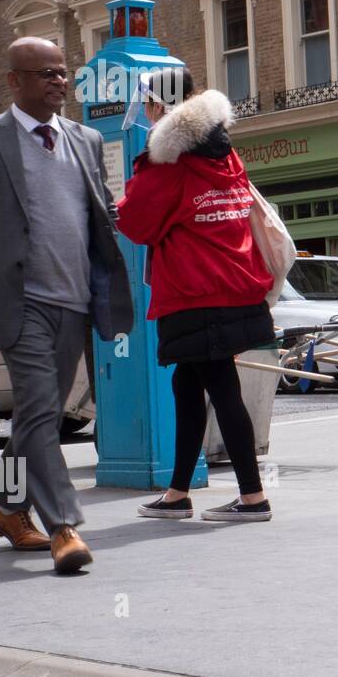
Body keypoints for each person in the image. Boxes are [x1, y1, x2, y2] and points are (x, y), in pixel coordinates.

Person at [0, 37, 133, 573]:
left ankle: (7, 511)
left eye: (63, 73)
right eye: (45, 74)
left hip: (76, 300)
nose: (59, 81)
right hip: (19, 303)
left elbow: (102, 212)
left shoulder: (84, 139)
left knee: (42, 413)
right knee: (40, 409)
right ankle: (63, 525)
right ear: (14, 80)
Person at [116, 84, 275, 523]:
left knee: (222, 386)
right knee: (187, 386)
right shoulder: (225, 153)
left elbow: (134, 221)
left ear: (157, 106)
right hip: (234, 283)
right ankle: (178, 493)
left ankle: (253, 497)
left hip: (196, 291)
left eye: (147, 105)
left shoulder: (170, 165)